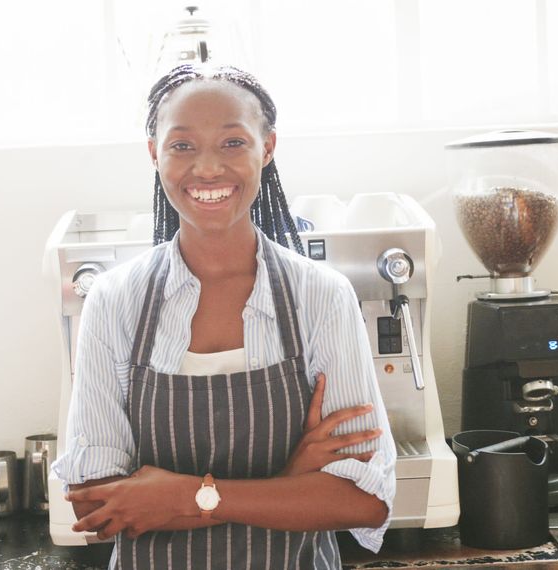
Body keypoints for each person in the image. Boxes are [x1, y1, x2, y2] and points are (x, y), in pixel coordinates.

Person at [51, 64, 397, 570]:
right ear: (155, 154)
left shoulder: (321, 297)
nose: (207, 169)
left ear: (267, 147)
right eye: (183, 146)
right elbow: (94, 507)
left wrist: (184, 496)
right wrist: (289, 486)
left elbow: (362, 501)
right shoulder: (113, 301)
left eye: (233, 143)